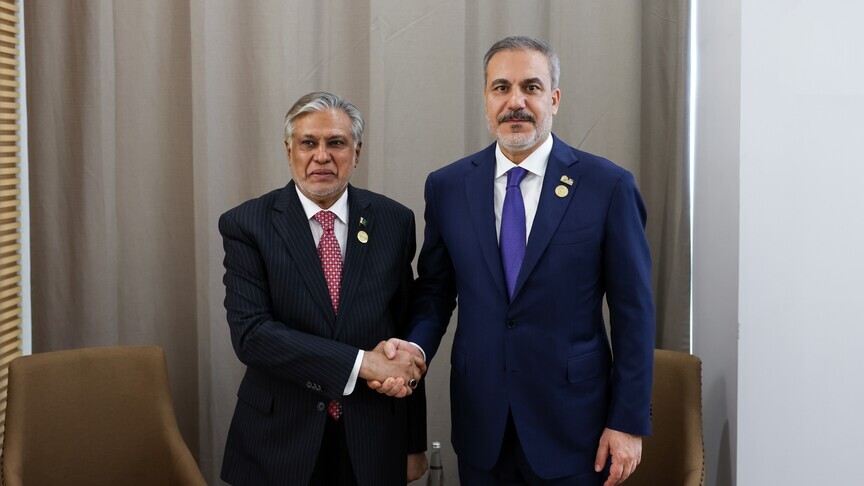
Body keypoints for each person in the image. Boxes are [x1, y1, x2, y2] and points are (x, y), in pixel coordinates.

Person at [372, 36, 655, 485]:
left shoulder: (607, 186)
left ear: (554, 99)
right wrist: (414, 350)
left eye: (531, 87)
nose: (515, 102)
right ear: (486, 99)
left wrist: (627, 421)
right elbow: (435, 291)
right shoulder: (447, 187)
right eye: (501, 87)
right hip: (482, 423)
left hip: (575, 427)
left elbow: (634, 314)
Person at [219, 91, 428, 486]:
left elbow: (404, 337)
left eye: (336, 143)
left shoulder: (394, 221)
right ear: (289, 151)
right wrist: (362, 363)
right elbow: (252, 336)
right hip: (279, 441)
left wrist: (413, 442)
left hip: (372, 440)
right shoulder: (247, 224)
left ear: (357, 152)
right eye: (308, 143)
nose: (321, 156)